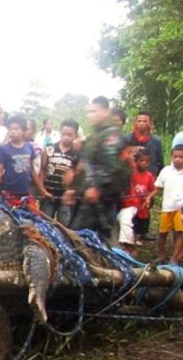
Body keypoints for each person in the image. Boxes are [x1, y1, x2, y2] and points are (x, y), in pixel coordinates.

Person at [65, 96, 130, 239]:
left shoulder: (111, 134)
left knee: (82, 235)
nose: (90, 116)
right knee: (86, 235)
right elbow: (87, 166)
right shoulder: (96, 135)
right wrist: (73, 188)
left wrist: (97, 188)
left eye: (94, 111)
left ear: (106, 112)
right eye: (89, 112)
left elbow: (111, 165)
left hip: (103, 196)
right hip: (90, 195)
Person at [148, 145, 183, 262]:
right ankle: (162, 255)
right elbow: (158, 187)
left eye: (181, 157)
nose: (177, 159)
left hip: (182, 207)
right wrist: (149, 197)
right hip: (167, 207)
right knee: (162, 233)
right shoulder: (166, 171)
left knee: (179, 233)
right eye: (175, 157)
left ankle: (174, 258)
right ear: (171, 157)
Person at [0, 114, 50, 207]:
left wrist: (43, 191)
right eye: (10, 129)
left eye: (16, 129)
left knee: (31, 217)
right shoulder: (4, 149)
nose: (12, 132)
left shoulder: (29, 148)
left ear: (23, 131)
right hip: (8, 194)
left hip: (25, 193)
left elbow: (32, 172)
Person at [38, 118, 80, 225]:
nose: (66, 137)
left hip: (65, 197)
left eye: (70, 135)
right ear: (60, 132)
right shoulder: (49, 149)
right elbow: (42, 170)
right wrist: (42, 190)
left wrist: (71, 191)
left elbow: (78, 175)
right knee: (45, 225)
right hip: (48, 195)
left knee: (64, 226)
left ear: (75, 135)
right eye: (64, 134)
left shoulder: (76, 153)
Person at [117, 148, 155, 255]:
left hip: (130, 202)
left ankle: (128, 246)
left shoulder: (136, 171)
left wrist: (148, 199)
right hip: (116, 202)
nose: (144, 163)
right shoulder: (122, 168)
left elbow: (153, 189)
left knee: (126, 220)